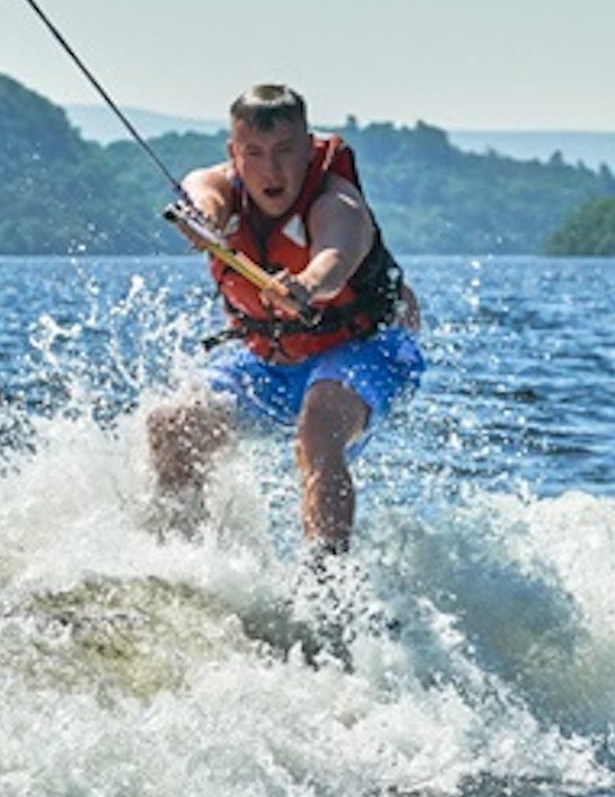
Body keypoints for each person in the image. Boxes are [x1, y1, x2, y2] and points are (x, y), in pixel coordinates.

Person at [147, 84, 423, 558]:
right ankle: (184, 565)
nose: (270, 170)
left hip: (367, 351)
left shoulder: (339, 204)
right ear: (235, 153)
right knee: (172, 426)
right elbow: (200, 194)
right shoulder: (219, 186)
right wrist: (202, 222)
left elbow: (334, 260)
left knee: (318, 426)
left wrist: (307, 286)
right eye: (254, 153)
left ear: (308, 148)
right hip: (270, 365)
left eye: (284, 152)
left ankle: (327, 590)